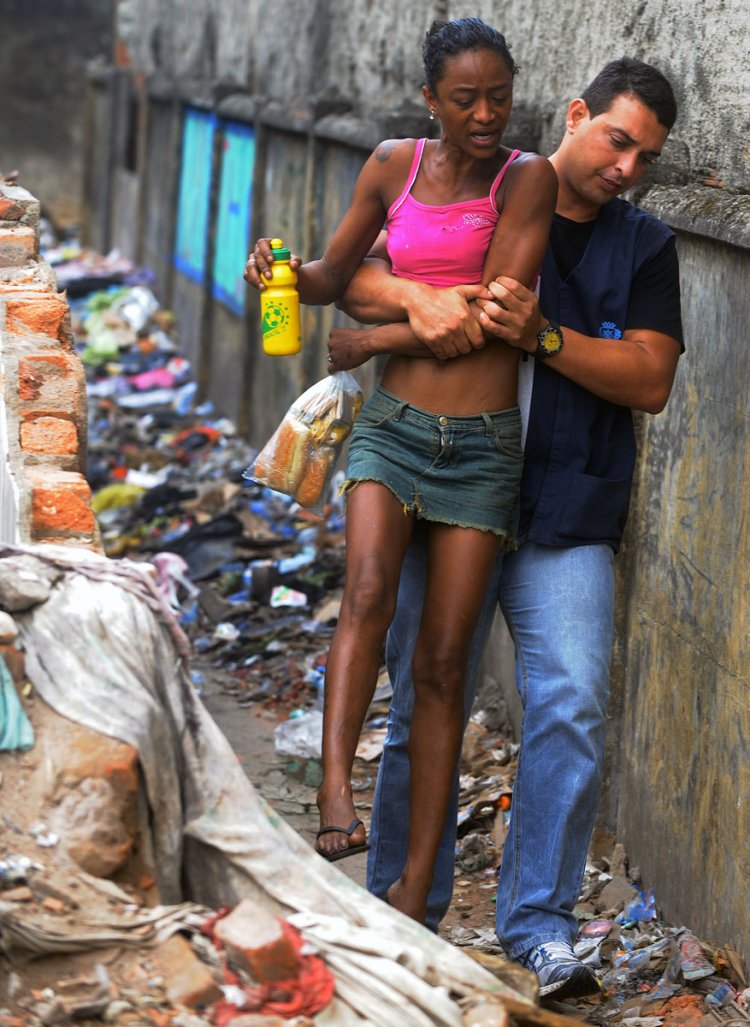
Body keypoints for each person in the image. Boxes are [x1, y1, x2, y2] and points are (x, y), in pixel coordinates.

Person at [328, 57, 683, 998]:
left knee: (570, 702)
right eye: (616, 140)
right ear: (576, 115)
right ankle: (402, 905)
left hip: (565, 509)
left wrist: (547, 338)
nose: (626, 169)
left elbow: (650, 379)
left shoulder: (642, 247)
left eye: (646, 157)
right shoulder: (484, 182)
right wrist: (397, 306)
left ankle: (537, 925)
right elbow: (365, 271)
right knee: (421, 690)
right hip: (441, 487)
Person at [245, 17, 557, 923]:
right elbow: (332, 273)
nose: (487, 114)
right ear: (431, 100)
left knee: (444, 665)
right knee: (371, 593)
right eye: (466, 100)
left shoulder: (525, 179)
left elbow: (492, 314)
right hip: (392, 427)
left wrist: (374, 327)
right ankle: (337, 793)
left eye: (500, 96)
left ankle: (418, 880)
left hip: (483, 448)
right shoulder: (392, 164)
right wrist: (283, 267)